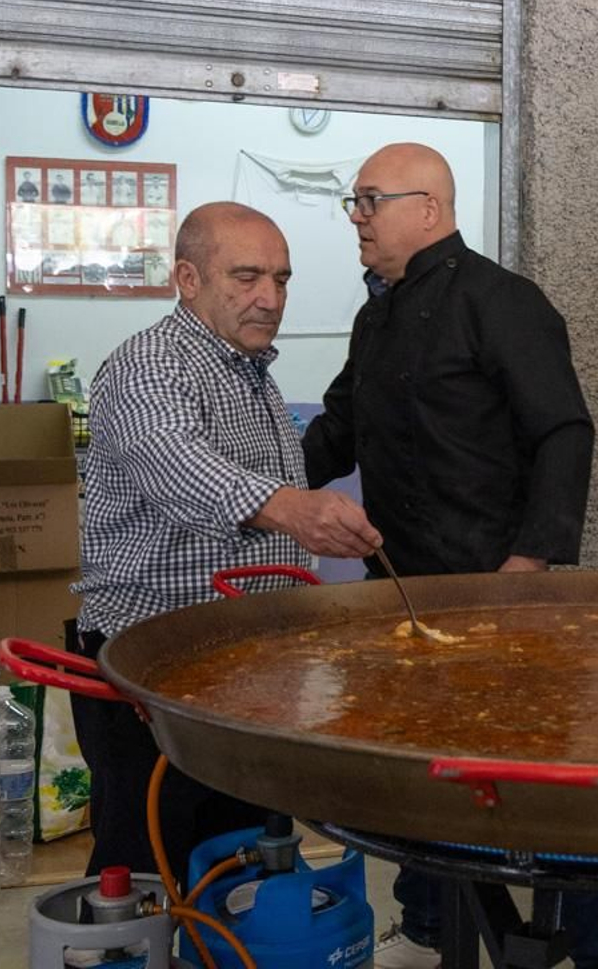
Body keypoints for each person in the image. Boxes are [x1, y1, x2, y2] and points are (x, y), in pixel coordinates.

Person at [302, 143, 598, 969]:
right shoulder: (376, 316)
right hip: (400, 596)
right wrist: (254, 494)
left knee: (532, 788)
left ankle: (589, 947)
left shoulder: (503, 302)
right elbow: (337, 432)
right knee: (418, 775)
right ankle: (438, 928)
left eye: (370, 200)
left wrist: (531, 563)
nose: (356, 218)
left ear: (429, 209)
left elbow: (565, 432)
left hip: (499, 593)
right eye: (355, 201)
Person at [71, 201, 382, 880]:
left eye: (281, 279)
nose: (269, 298)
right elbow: (179, 467)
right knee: (144, 869)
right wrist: (293, 509)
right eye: (246, 276)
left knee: (234, 860)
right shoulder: (149, 365)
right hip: (149, 668)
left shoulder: (254, 377)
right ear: (187, 277)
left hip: (243, 671)